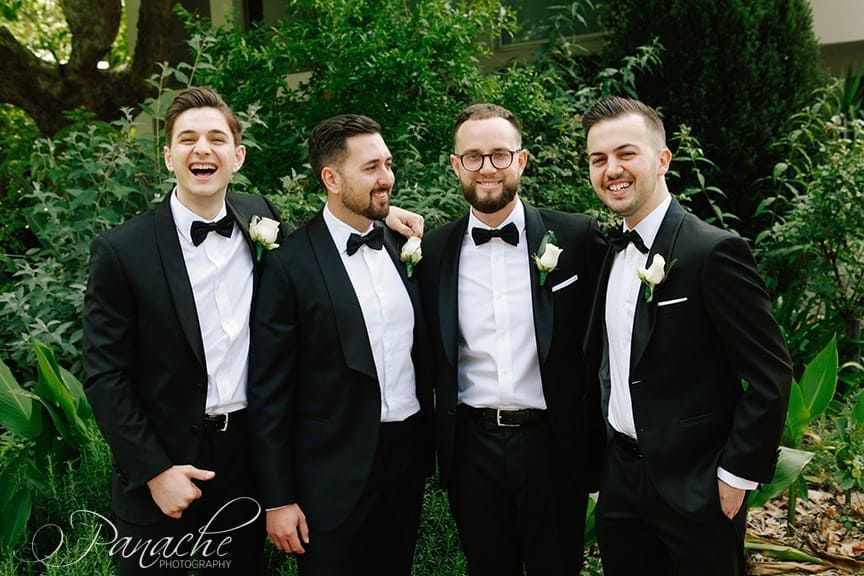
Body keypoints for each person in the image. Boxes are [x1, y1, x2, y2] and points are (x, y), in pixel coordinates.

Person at [82, 88, 422, 575]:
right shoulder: (122, 251)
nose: (203, 149)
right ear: (168, 156)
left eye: (217, 138)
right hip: (168, 464)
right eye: (188, 139)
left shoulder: (259, 218)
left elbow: (330, 228)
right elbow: (104, 375)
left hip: (245, 461)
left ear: (236, 156)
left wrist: (385, 212)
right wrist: (154, 471)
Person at [581, 96, 792, 576]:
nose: (611, 169)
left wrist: (735, 474)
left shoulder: (713, 252)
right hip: (620, 485)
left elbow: (770, 374)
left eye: (625, 153)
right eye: (599, 159)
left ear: (662, 160)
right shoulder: (607, 251)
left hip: (698, 487)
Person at [418, 103, 606, 575]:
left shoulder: (577, 238)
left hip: (553, 446)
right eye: (473, 156)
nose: (487, 168)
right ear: (455, 165)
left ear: (521, 161)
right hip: (471, 449)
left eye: (500, 155)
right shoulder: (433, 251)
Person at [247, 114, 434, 576]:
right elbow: (268, 393)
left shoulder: (402, 241)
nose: (387, 178)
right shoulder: (288, 266)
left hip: (406, 464)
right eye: (371, 168)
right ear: (331, 178)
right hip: (329, 477)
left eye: (388, 164)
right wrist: (279, 499)